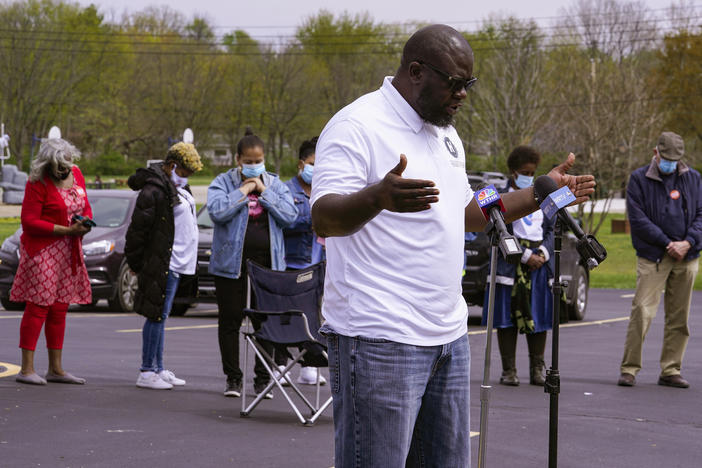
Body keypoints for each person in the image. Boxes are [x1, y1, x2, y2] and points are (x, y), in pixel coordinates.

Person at [310, 24, 595, 467]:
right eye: (456, 84)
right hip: (379, 337)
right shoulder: (357, 125)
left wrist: (541, 194)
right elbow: (324, 216)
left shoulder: (445, 133)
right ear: (417, 71)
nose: (463, 94)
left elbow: (468, 210)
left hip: (447, 335)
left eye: (470, 84)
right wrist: (378, 197)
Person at [207, 128, 298, 399]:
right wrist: (243, 190)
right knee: (230, 320)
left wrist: (263, 192)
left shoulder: (275, 183)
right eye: (248, 161)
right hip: (230, 265)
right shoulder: (223, 182)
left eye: (258, 160)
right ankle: (233, 379)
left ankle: (262, 379)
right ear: (238, 160)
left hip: (267, 265)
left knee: (264, 322)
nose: (253, 165)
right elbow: (217, 211)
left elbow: (290, 216)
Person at [617, 131, 701, 389]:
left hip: (687, 255)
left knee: (679, 317)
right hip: (654, 255)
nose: (670, 164)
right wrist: (667, 243)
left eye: (675, 159)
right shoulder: (639, 179)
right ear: (656, 153)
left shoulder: (693, 178)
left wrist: (688, 242)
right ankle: (629, 369)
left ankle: (671, 369)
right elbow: (639, 219)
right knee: (642, 312)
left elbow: (701, 214)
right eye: (666, 158)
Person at [12, 138, 93, 385]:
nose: (65, 169)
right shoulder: (37, 181)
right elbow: (29, 221)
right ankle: (26, 369)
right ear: (49, 163)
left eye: (67, 163)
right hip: (43, 251)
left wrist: (85, 223)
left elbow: (86, 206)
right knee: (38, 306)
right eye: (59, 165)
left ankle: (55, 369)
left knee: (60, 308)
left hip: (69, 250)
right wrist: (64, 230)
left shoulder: (76, 173)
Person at [125, 142, 203, 390]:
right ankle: (147, 370)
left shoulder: (176, 187)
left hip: (178, 262)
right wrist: (136, 263)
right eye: (184, 172)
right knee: (156, 316)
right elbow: (138, 230)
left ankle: (158, 367)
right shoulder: (155, 191)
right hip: (163, 263)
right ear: (172, 166)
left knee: (162, 315)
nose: (186, 177)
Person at [482, 146, 554, 386]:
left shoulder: (543, 194)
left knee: (539, 316)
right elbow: (494, 230)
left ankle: (537, 369)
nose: (529, 177)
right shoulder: (495, 195)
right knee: (507, 318)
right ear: (513, 172)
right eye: (525, 172)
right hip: (510, 264)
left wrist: (542, 252)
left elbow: (555, 229)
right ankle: (509, 370)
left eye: (533, 173)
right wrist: (523, 256)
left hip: (539, 264)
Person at [277, 137, 327, 386]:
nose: (316, 169)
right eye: (312, 163)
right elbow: (286, 221)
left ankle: (309, 365)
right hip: (292, 262)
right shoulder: (286, 190)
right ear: (301, 164)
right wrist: (315, 218)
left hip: (317, 264)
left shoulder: (325, 189)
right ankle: (280, 364)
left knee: (312, 317)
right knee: (286, 315)